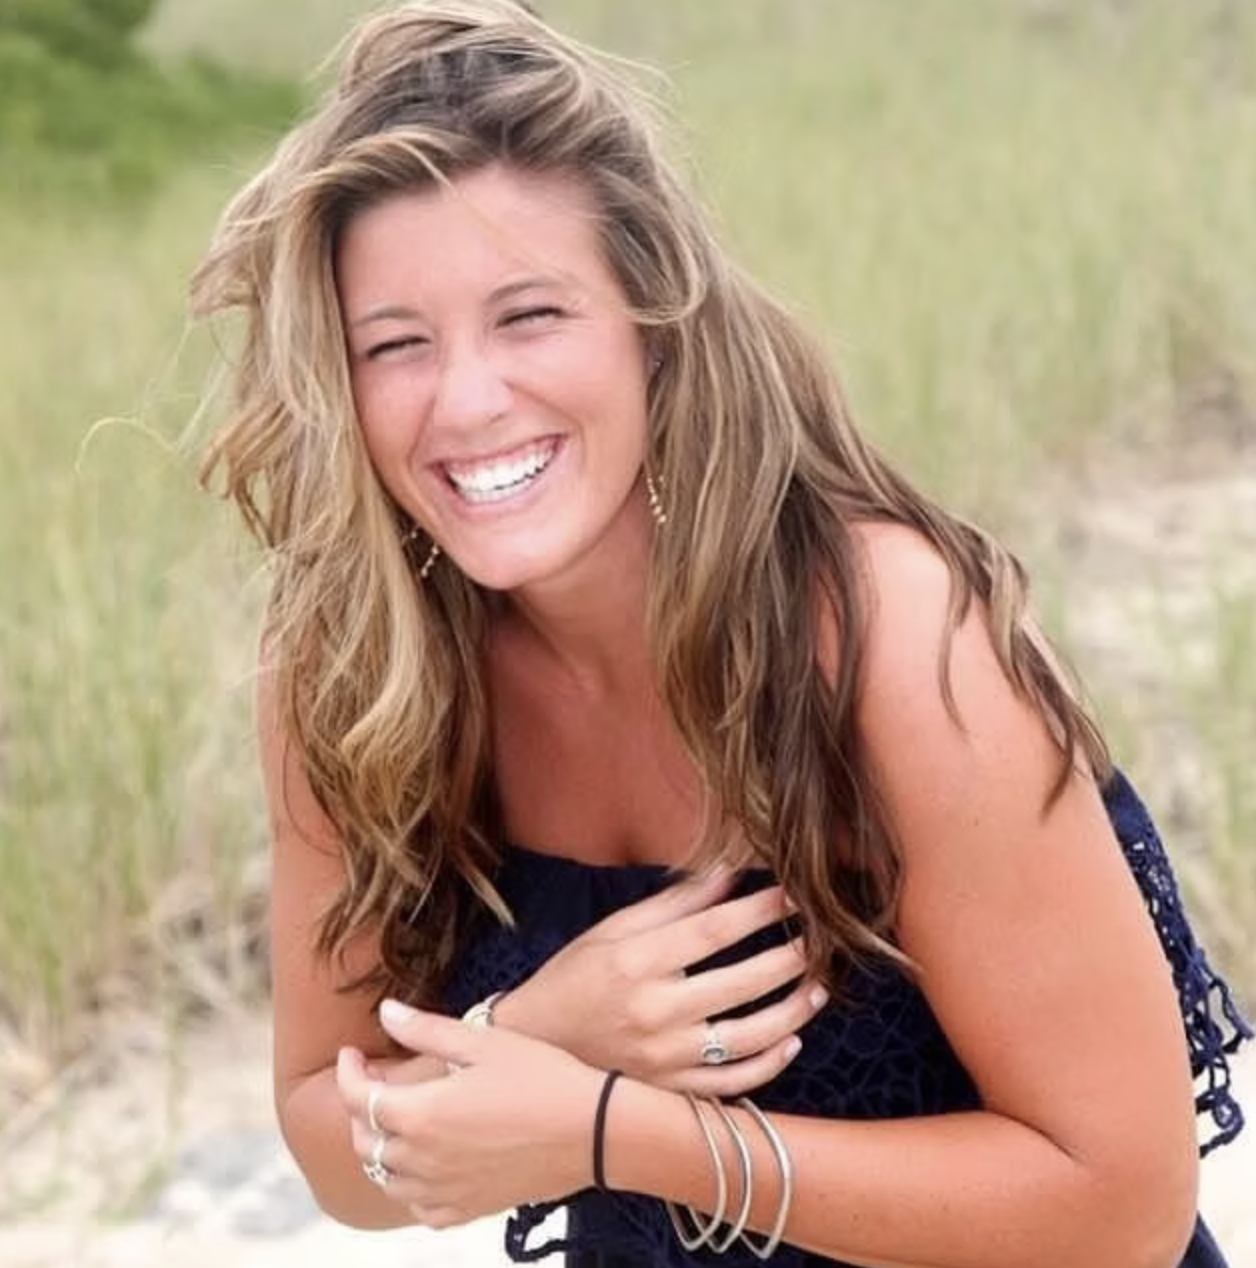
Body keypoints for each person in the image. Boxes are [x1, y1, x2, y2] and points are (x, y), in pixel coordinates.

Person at [191, 2, 1251, 1265]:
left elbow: (1121, 1207)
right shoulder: (352, 667)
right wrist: (537, 1030)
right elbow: (334, 1151)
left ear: (653, 324)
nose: (465, 401)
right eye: (395, 345)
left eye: (530, 316)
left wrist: (617, 1129)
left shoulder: (889, 640)